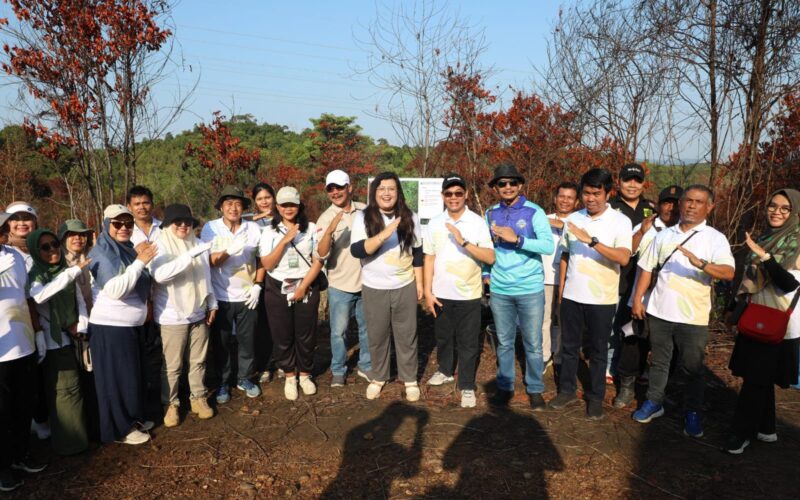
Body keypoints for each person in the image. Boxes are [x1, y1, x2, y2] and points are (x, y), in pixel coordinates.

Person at [630, 185, 735, 438]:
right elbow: (646, 268)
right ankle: (654, 402)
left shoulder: (714, 238)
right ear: (680, 204)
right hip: (660, 311)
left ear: (709, 207)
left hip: (693, 317)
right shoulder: (664, 235)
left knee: (692, 367)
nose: (691, 205)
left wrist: (702, 264)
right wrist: (637, 299)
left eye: (698, 202)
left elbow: (729, 272)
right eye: (687, 200)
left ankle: (693, 411)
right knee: (659, 361)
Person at [549, 168, 632, 420]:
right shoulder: (574, 219)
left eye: (597, 193)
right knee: (569, 346)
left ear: (608, 193)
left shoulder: (620, 221)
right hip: (572, 296)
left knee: (597, 351)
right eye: (586, 193)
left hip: (602, 299)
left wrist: (592, 241)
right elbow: (565, 255)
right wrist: (562, 289)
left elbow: (624, 257)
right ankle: (566, 391)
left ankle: (595, 397)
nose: (591, 198)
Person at [724, 189, 800, 454]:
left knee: (755, 380)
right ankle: (766, 428)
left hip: (779, 323)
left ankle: (739, 434)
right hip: (756, 315)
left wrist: (765, 258)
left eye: (785, 208)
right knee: (759, 378)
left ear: (795, 213)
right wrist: (733, 308)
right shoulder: (766, 236)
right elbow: (747, 280)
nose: (776, 212)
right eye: (773, 206)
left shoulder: (797, 241)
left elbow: (788, 284)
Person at [483, 164, 554, 410]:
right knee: (504, 341)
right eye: (501, 183)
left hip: (530, 288)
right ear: (495, 188)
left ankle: (535, 388)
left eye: (512, 182)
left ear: (520, 185)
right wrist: (485, 273)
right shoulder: (490, 213)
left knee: (533, 343)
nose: (507, 187)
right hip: (500, 289)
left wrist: (518, 239)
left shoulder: (535, 212)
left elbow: (547, 246)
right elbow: (487, 247)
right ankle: (505, 387)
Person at [350, 172, 424, 402]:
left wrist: (419, 283)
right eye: (381, 189)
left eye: (391, 188)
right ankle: (379, 377)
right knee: (378, 334)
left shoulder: (410, 216)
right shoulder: (364, 217)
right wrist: (384, 233)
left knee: (406, 334)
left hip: (404, 284)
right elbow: (357, 251)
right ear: (374, 192)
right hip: (374, 287)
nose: (386, 193)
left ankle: (409, 378)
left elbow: (418, 252)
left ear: (398, 192)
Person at [423, 174, 495, 408]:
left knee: (467, 342)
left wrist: (463, 241)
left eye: (458, 193)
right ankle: (445, 370)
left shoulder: (476, 222)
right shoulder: (434, 223)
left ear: (465, 195)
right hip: (441, 293)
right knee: (443, 337)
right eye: (448, 193)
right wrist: (427, 290)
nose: (453, 198)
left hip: (469, 294)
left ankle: (466, 385)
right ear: (443, 196)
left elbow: (490, 257)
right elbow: (429, 257)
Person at [87, 204, 157, 445]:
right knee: (117, 381)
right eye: (117, 224)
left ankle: (133, 418)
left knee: (133, 377)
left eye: (128, 224)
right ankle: (120, 429)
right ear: (107, 225)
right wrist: (140, 262)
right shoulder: (101, 254)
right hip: (110, 329)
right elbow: (115, 290)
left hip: (131, 327)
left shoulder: (126, 249)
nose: (124, 228)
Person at [613, 185, 682, 408]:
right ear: (658, 205)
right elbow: (628, 252)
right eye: (666, 202)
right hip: (641, 297)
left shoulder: (689, 232)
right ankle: (627, 387)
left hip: (671, 301)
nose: (670, 207)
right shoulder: (648, 227)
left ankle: (659, 388)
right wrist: (642, 231)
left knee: (668, 347)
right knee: (633, 342)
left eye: (675, 203)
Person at [149, 204, 217, 427]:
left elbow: (205, 275)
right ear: (168, 224)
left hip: (198, 312)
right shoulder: (159, 245)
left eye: (187, 222)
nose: (183, 226)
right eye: (178, 222)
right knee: (173, 364)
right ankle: (170, 403)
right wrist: (188, 256)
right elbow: (160, 276)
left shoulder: (196, 243)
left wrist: (212, 302)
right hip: (171, 315)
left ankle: (198, 397)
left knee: (198, 359)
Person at [26, 229, 89, 455]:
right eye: (45, 247)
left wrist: (81, 324)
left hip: (74, 339)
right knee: (64, 391)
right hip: (54, 343)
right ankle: (70, 445)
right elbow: (40, 296)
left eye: (54, 245)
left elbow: (79, 299)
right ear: (35, 251)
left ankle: (81, 437)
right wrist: (70, 274)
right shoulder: (36, 275)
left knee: (76, 389)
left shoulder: (62, 270)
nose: (53, 250)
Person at [201, 185, 264, 403]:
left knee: (248, 340)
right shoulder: (211, 228)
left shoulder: (253, 229)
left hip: (247, 295)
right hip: (221, 296)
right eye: (228, 203)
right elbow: (207, 261)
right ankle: (223, 382)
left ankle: (245, 378)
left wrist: (258, 284)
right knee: (222, 343)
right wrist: (228, 251)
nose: (233, 208)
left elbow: (260, 259)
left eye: (238, 204)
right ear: (221, 207)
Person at [260, 187, 324, 400]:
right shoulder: (269, 231)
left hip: (306, 285)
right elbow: (267, 264)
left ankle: (305, 374)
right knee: (282, 334)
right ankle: (289, 376)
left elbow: (318, 260)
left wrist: (303, 286)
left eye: (293, 204)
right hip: (277, 287)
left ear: (299, 205)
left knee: (306, 334)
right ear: (277, 207)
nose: (288, 208)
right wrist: (285, 240)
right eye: (284, 205)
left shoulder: (311, 228)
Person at [0, 212, 47, 492]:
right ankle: (2, 467)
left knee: (22, 406)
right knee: (1, 412)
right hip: (1, 351)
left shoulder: (14, 256)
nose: (4, 230)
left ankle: (19, 455)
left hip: (24, 342)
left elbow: (26, 296)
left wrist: (38, 332)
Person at [315, 170, 371, 387]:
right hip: (340, 285)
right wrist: (330, 230)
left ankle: (366, 366)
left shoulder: (365, 210)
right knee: (338, 332)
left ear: (350, 187)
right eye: (331, 189)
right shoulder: (325, 217)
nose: (335, 192)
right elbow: (320, 253)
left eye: (339, 187)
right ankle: (338, 369)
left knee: (367, 328)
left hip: (367, 282)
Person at [608, 164, 655, 383]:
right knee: (614, 325)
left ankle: (638, 366)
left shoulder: (652, 208)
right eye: (628, 180)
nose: (633, 185)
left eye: (637, 180)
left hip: (645, 279)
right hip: (616, 276)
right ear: (619, 182)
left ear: (643, 183)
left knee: (640, 326)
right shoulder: (609, 207)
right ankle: (611, 365)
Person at [541, 182, 579, 373]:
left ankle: (560, 357)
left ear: (576, 201)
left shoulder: (580, 221)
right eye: (561, 196)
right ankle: (544, 355)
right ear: (555, 198)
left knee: (565, 322)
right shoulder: (542, 218)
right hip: (545, 278)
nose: (565, 201)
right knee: (544, 319)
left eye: (570, 197)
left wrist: (561, 224)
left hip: (571, 281)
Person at [248, 182, 278, 384]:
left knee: (281, 323)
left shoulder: (285, 215)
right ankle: (265, 365)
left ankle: (284, 362)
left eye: (267, 197)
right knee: (262, 325)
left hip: (281, 277)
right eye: (259, 199)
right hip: (259, 278)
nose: (264, 202)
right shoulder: (251, 223)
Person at [3, 202, 38, 269]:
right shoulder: (3, 250)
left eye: (27, 218)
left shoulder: (48, 247)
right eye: (15, 219)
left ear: (35, 222)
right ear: (8, 223)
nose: (21, 223)